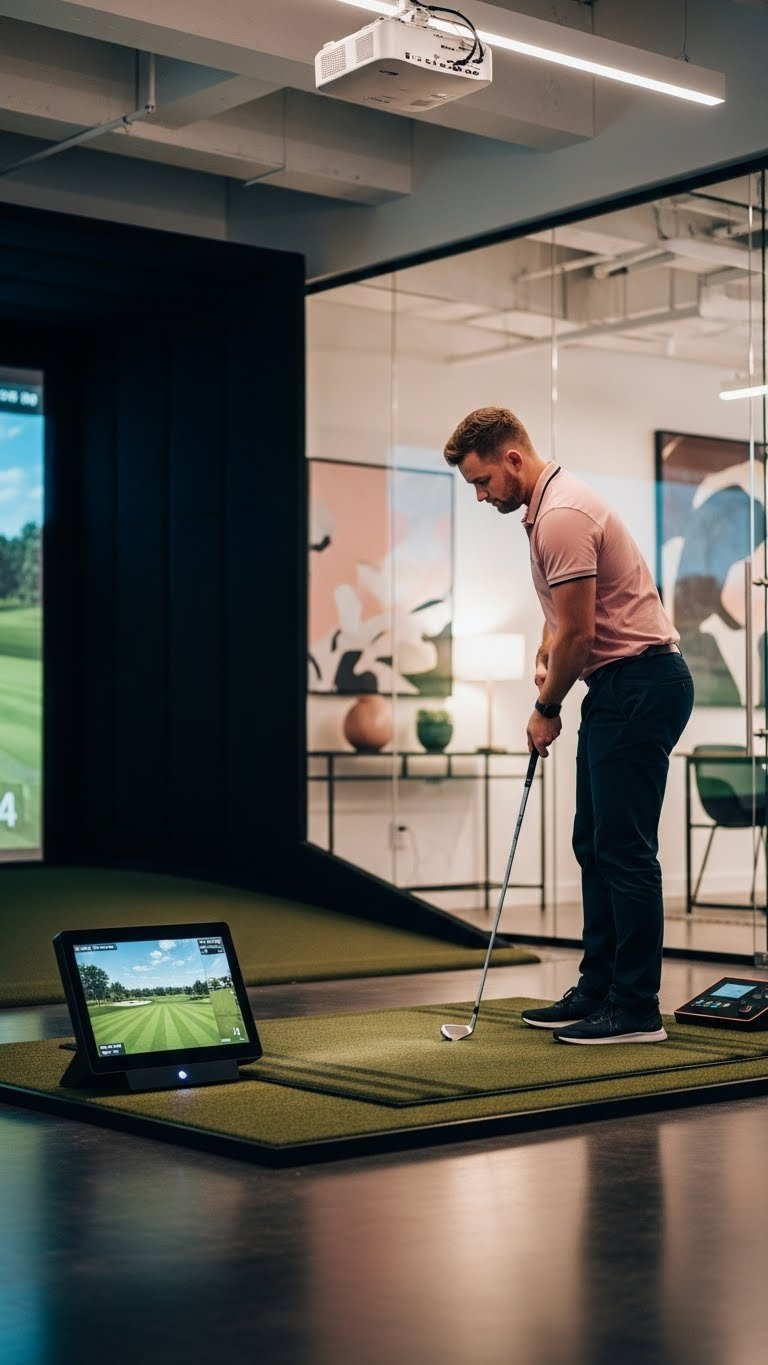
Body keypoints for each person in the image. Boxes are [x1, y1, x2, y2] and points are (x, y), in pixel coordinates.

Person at [443, 407, 694, 1045]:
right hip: (619, 688)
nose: (479, 496)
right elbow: (566, 618)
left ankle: (636, 1009)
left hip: (640, 684)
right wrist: (545, 649)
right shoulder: (550, 508)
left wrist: (546, 707)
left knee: (624, 850)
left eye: (482, 482)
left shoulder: (560, 516)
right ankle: (597, 990)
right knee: (593, 843)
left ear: (513, 460)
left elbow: (581, 633)